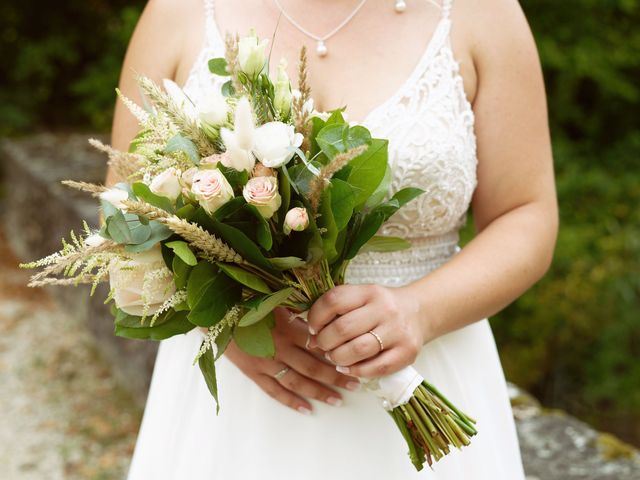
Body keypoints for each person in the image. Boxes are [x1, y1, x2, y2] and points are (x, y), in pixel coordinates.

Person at [111, 0, 558, 478]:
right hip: (242, 407)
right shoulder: (178, 12)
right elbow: (126, 218)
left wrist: (421, 310)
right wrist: (226, 318)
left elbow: (526, 215)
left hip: (432, 364)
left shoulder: (484, 13)